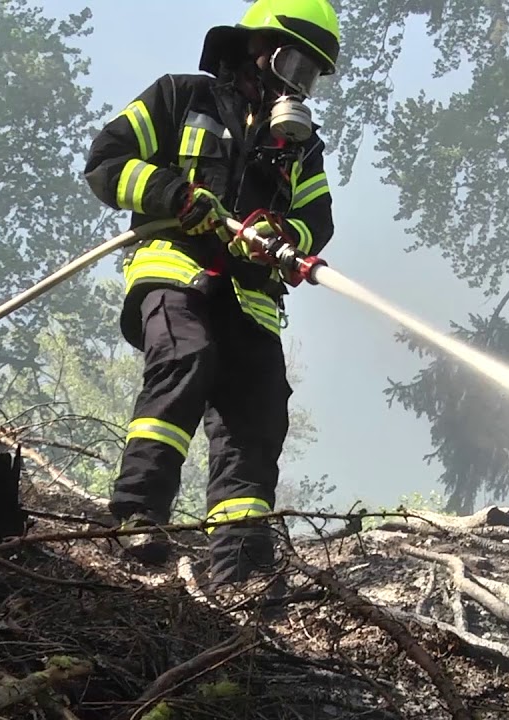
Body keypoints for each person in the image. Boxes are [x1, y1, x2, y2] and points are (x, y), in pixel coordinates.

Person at [81, 0, 339, 594]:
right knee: (186, 359)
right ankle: (138, 515)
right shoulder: (179, 97)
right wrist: (174, 195)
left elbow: (316, 221)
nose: (300, 88)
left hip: (251, 298)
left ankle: (241, 567)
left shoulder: (301, 147)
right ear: (260, 50)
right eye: (297, 67)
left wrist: (283, 236)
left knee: (259, 413)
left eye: (311, 79)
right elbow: (105, 162)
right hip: (175, 270)